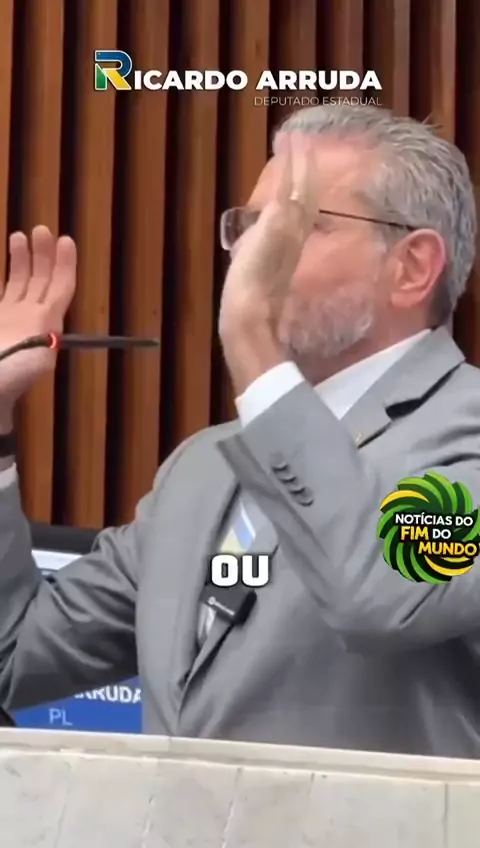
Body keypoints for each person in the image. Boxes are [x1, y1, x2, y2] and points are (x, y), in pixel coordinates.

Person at [0, 104, 479, 758]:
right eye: (249, 227)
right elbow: (17, 655)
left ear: (412, 267)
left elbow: (381, 591)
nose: (251, 256)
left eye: (291, 226)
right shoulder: (201, 470)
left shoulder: (463, 433)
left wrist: (252, 332)